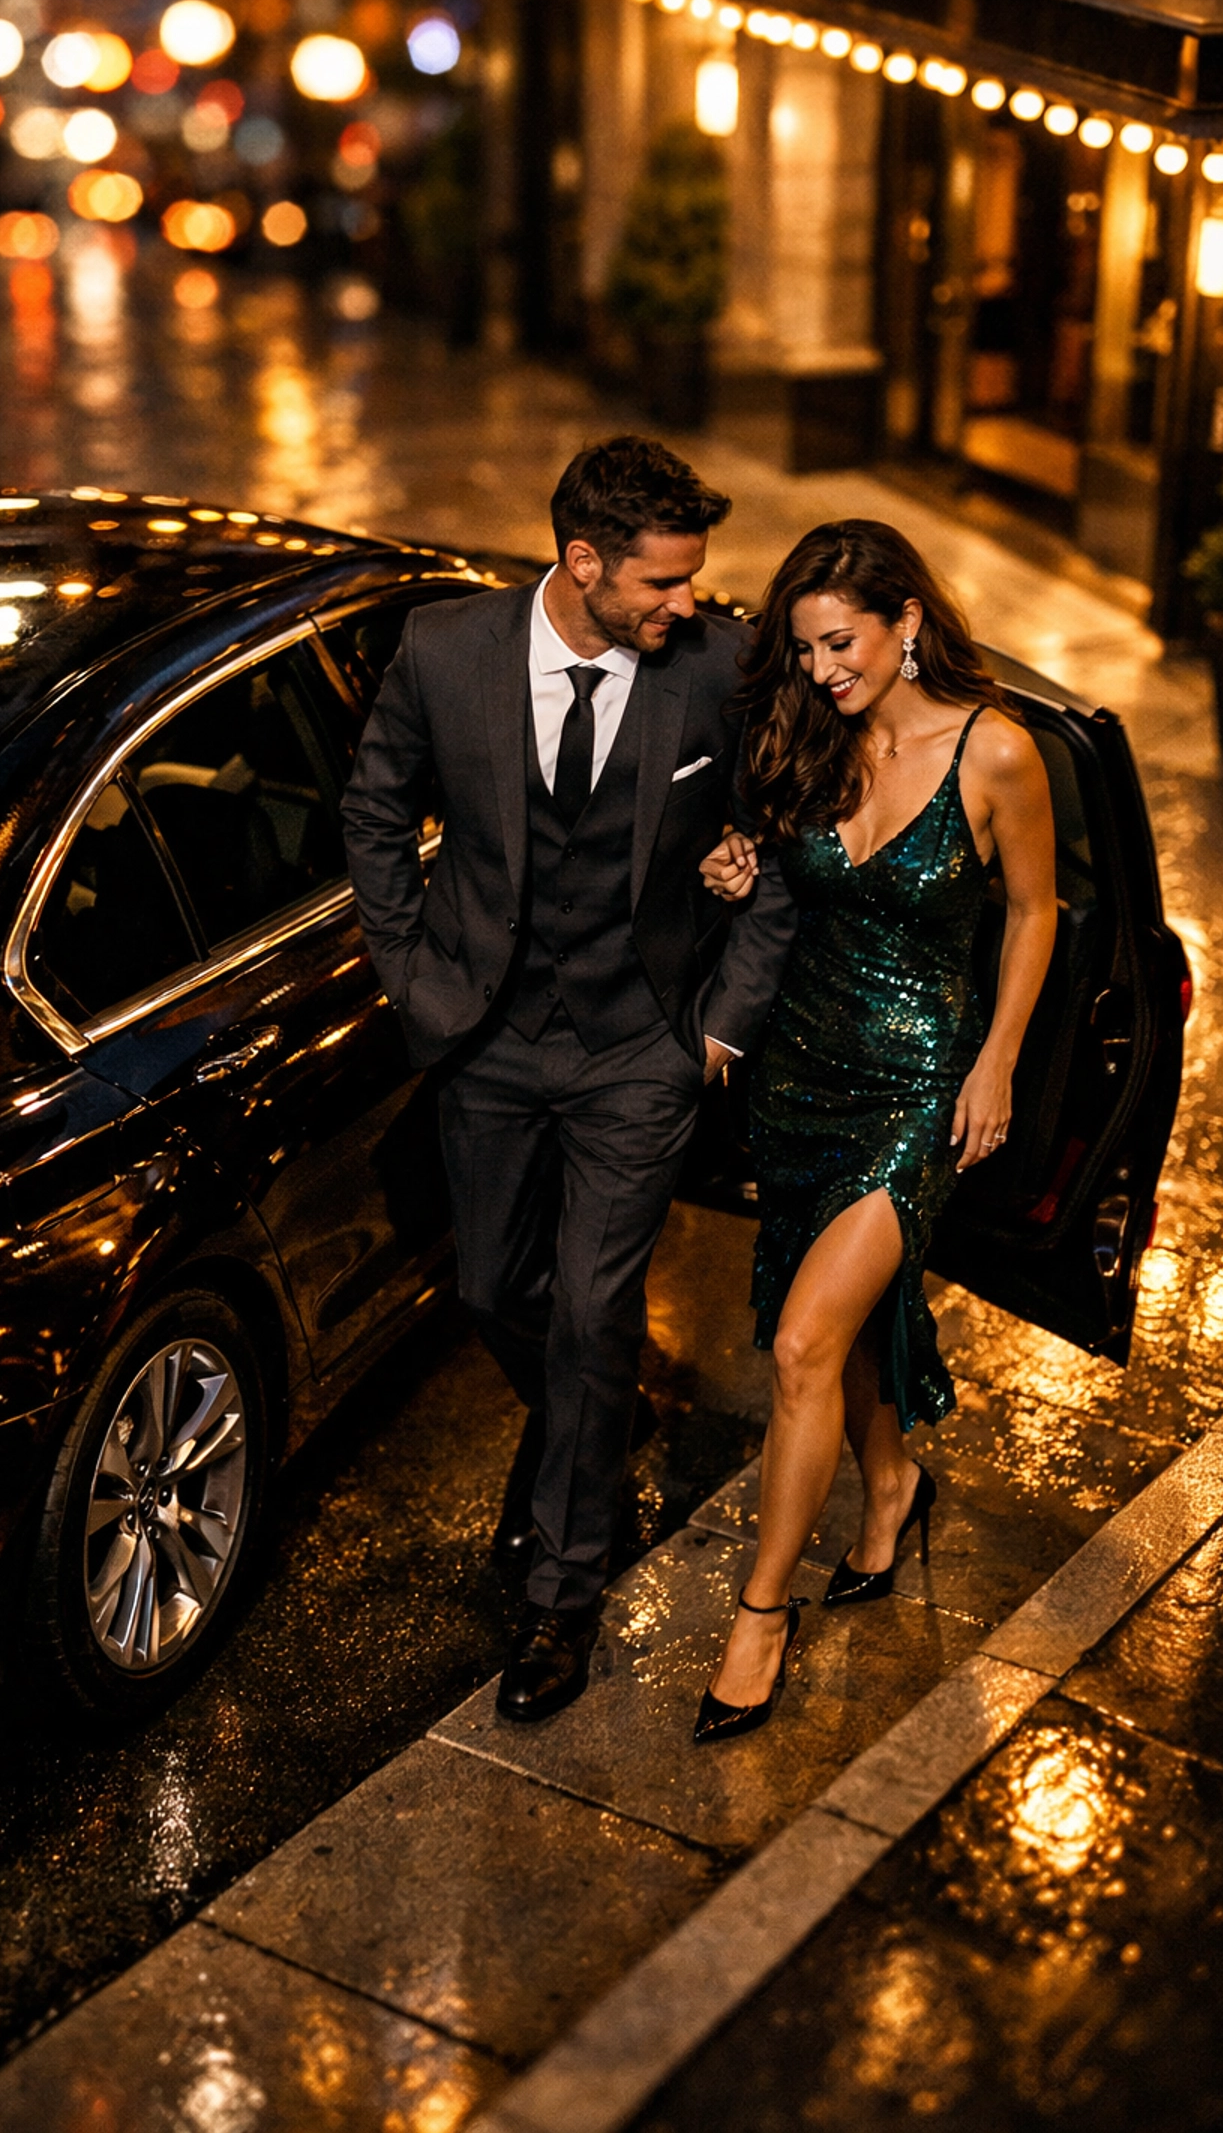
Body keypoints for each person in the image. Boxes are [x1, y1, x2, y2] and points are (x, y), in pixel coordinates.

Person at [341, 436, 796, 1724]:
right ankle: (587, 1419)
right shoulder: (446, 651)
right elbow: (373, 813)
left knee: (595, 1311)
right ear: (581, 561)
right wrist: (417, 978)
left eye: (695, 579)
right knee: (491, 1286)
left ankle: (563, 1593)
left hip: (639, 1049)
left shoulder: (715, 671)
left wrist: (722, 1020)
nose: (687, 603)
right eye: (662, 583)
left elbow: (781, 835)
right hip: (485, 1038)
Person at [694, 519, 1056, 1743]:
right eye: (802, 651)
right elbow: (786, 872)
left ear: (907, 619)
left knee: (801, 1346)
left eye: (838, 643)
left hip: (912, 1089)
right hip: (798, 1077)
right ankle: (891, 1483)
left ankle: (760, 1615)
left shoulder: (997, 752)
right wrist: (744, 861)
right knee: (845, 1335)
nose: (820, 670)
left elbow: (1035, 909)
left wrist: (996, 1061)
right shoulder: (813, 734)